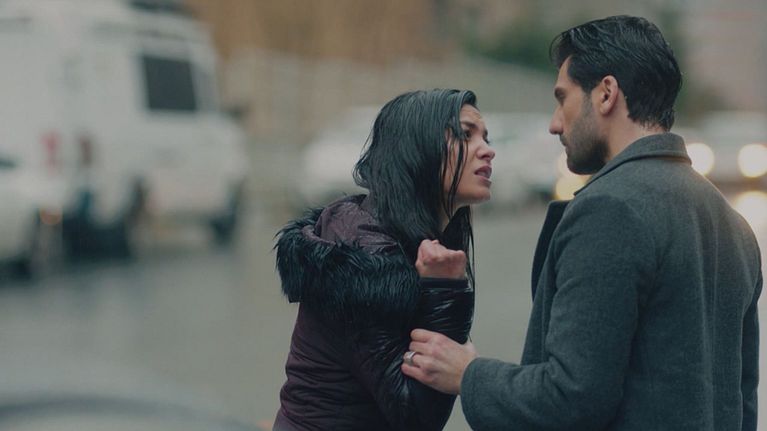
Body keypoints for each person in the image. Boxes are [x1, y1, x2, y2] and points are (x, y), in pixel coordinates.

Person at [402, 15, 763, 430]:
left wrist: (469, 374)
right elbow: (742, 403)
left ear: (606, 93)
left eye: (563, 98)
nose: (555, 123)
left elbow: (569, 399)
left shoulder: (611, 209)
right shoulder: (734, 225)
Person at [272, 89, 495, 430]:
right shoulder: (367, 259)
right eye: (466, 135)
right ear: (417, 148)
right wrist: (444, 289)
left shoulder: (403, 238)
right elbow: (415, 416)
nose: (487, 149)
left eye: (485, 137)